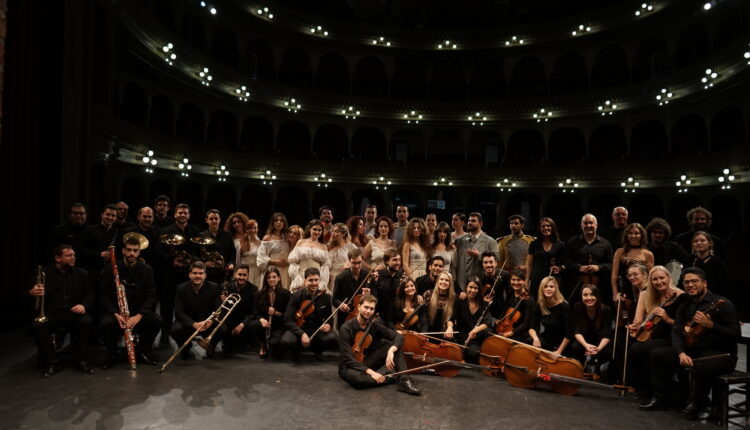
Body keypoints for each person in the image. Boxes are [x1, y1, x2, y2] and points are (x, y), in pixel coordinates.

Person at [640, 267, 739, 420]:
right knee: (657, 354)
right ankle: (660, 398)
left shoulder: (723, 304)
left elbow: (735, 334)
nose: (690, 285)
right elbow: (676, 332)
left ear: (704, 283)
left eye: (695, 281)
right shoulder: (686, 305)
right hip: (693, 350)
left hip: (721, 354)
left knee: (698, 364)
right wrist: (681, 352)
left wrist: (711, 325)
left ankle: (699, 402)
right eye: (687, 282)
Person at [30, 244, 95, 377]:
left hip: (73, 312)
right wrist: (31, 292)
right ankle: (52, 362)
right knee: (38, 325)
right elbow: (24, 296)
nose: (73, 258)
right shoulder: (44, 273)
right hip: (52, 313)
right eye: (69, 255)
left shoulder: (82, 274)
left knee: (86, 321)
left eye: (74, 255)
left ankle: (81, 360)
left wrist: (83, 305)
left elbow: (90, 294)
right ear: (58, 258)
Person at [338, 294, 420, 395]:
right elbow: (347, 358)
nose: (368, 311)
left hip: (366, 361)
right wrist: (372, 373)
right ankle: (390, 378)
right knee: (359, 380)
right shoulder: (346, 328)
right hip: (349, 366)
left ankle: (404, 380)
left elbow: (399, 337)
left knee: (394, 345)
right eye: (366, 307)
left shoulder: (374, 324)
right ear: (359, 307)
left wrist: (391, 350)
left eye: (371, 309)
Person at [99, 236, 161, 368]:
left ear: (139, 252)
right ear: (123, 251)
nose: (132, 253)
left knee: (156, 320)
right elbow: (103, 295)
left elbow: (151, 295)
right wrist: (115, 314)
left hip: (137, 312)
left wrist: (139, 315)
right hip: (117, 311)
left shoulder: (147, 269)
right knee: (105, 323)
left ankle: (143, 352)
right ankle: (112, 354)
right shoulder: (111, 268)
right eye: (129, 250)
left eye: (135, 250)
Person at [628, 265, 686, 401]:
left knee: (648, 348)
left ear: (669, 278)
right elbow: (646, 320)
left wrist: (666, 318)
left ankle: (653, 391)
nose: (659, 282)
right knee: (636, 348)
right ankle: (641, 386)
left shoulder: (680, 296)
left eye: (662, 278)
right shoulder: (652, 296)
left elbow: (681, 326)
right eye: (655, 279)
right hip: (656, 334)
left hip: (672, 336)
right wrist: (639, 326)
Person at [160, 203, 200, 341]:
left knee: (187, 305)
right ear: (175, 214)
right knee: (167, 306)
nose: (182, 215)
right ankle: (165, 333)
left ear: (189, 215)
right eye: (180, 213)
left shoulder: (195, 231)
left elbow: (197, 251)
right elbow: (158, 251)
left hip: (187, 275)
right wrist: (172, 260)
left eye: (185, 213)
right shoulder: (166, 230)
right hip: (170, 275)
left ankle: (188, 332)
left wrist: (192, 261)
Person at [281, 268, 338, 361]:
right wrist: (302, 333)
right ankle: (297, 349)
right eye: (310, 280)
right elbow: (287, 321)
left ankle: (317, 349)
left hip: (316, 329)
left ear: (319, 280)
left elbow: (329, 318)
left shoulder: (326, 297)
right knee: (287, 341)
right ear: (305, 281)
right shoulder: (296, 296)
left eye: (316, 280)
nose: (314, 283)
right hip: (299, 328)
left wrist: (329, 324)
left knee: (333, 338)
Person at [171, 262, 225, 359]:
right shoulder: (181, 288)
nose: (197, 276)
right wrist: (193, 324)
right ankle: (186, 348)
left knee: (223, 329)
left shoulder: (214, 287)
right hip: (189, 324)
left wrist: (211, 321)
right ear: (189, 274)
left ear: (205, 275)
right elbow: (178, 312)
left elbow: (219, 310)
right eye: (195, 273)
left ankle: (210, 346)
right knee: (175, 330)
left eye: (200, 273)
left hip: (206, 323)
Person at [565, 214, 613, 304]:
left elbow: (612, 264)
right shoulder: (573, 242)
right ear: (581, 226)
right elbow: (566, 261)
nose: (588, 226)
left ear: (596, 225)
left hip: (600, 286)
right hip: (577, 285)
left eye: (591, 223)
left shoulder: (605, 244)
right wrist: (578, 267)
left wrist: (598, 267)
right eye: (585, 223)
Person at [247, 267, 290, 359]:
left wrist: (276, 313)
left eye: (274, 277)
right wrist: (261, 319)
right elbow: (255, 312)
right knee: (252, 325)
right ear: (265, 280)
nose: (271, 279)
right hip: (264, 324)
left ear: (279, 278)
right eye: (268, 277)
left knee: (274, 344)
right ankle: (262, 344)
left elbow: (288, 315)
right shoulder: (258, 294)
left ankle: (272, 342)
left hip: (278, 325)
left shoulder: (286, 294)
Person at [571, 285, 613, 377]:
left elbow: (606, 334)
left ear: (597, 296)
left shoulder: (606, 310)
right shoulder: (577, 307)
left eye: (592, 295)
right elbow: (576, 331)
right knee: (575, 346)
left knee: (606, 352)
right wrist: (586, 345)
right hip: (584, 340)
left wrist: (598, 349)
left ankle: (597, 369)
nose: (589, 298)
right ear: (581, 296)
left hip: (599, 341)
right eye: (585, 295)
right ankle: (581, 366)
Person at [611, 223, 654, 305]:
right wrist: (615, 293)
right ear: (626, 235)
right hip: (623, 291)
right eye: (630, 233)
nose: (633, 236)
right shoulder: (620, 252)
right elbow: (614, 275)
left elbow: (650, 277)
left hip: (642, 291)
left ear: (642, 235)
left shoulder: (648, 254)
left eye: (637, 233)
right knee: (624, 316)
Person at [528, 276, 573, 356]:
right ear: (542, 289)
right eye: (545, 286)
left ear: (556, 289)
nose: (548, 289)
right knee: (528, 341)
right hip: (547, 339)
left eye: (551, 286)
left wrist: (559, 351)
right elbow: (531, 328)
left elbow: (569, 334)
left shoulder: (564, 306)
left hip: (561, 343)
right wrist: (535, 338)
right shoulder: (540, 305)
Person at [219, 265, 258, 355]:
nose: (241, 277)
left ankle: (245, 342)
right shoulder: (226, 287)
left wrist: (241, 325)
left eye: (244, 275)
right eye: (239, 274)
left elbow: (253, 312)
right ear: (235, 274)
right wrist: (223, 302)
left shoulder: (253, 289)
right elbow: (220, 309)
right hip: (229, 319)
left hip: (244, 320)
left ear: (248, 276)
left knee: (253, 324)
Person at [455, 212, 497, 294]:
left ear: (481, 223)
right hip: (461, 285)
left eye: (473, 221)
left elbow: (496, 260)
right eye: (469, 221)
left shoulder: (490, 241)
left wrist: (479, 256)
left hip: (479, 285)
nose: (470, 223)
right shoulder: (459, 241)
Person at [525, 217, 565, 301]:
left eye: (548, 226)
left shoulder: (560, 244)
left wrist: (560, 268)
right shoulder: (534, 244)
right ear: (540, 229)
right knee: (537, 302)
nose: (546, 228)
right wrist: (527, 280)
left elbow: (565, 263)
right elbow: (529, 264)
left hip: (552, 278)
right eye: (543, 226)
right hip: (537, 278)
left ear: (553, 227)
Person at [683, 231, 729, 300]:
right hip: (692, 297)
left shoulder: (718, 262)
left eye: (702, 240)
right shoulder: (689, 261)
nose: (699, 243)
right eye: (696, 241)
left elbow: (724, 286)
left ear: (710, 243)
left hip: (713, 298)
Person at [455, 276, 492, 363]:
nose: (473, 290)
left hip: (478, 335)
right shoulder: (460, 302)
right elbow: (451, 318)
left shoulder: (484, 304)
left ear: (479, 289)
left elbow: (488, 322)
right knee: (474, 354)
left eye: (476, 288)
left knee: (488, 332)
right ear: (466, 287)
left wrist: (475, 331)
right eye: (470, 287)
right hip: (465, 336)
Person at [332, 248, 371, 329]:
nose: (357, 266)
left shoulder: (368, 275)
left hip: (363, 316)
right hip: (346, 316)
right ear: (349, 261)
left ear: (362, 260)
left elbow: (374, 297)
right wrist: (341, 305)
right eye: (354, 263)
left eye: (359, 263)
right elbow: (334, 300)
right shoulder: (340, 278)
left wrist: (369, 294)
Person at [288, 219, 332, 291]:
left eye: (319, 230)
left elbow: (325, 266)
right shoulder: (301, 242)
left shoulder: (323, 246)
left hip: (316, 279)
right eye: (314, 229)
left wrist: (321, 283)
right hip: (302, 275)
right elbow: (293, 262)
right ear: (309, 229)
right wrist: (299, 281)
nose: (317, 232)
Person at [199, 209, 236, 286]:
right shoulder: (201, 236)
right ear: (207, 220)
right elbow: (195, 253)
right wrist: (204, 263)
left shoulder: (227, 235)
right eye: (211, 219)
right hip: (207, 273)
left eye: (216, 218)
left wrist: (232, 263)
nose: (214, 221)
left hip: (223, 273)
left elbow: (232, 253)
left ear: (220, 220)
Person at [80, 204, 118, 277]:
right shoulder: (90, 230)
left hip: (109, 272)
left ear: (116, 218)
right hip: (92, 270)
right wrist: (99, 254)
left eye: (113, 216)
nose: (110, 217)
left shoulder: (116, 233)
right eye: (108, 214)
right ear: (102, 215)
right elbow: (81, 249)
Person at [496, 269, 532, 344]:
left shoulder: (529, 300)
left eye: (519, 280)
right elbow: (505, 309)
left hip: (519, 331)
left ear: (524, 281)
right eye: (513, 279)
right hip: (506, 325)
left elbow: (526, 323)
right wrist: (500, 319)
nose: (515, 282)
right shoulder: (510, 292)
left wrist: (512, 332)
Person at [258, 213, 291, 290]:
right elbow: (261, 257)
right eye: (276, 220)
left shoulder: (287, 237)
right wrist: (276, 262)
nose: (279, 222)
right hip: (272, 269)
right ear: (273, 223)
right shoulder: (267, 238)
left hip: (285, 269)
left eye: (281, 221)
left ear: (284, 223)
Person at [420, 272, 457, 341]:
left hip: (444, 334)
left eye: (447, 280)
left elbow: (452, 318)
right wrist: (424, 333)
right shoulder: (428, 294)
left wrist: (450, 327)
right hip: (428, 332)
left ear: (450, 283)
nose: (443, 282)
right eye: (441, 279)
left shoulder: (454, 298)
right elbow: (424, 317)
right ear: (438, 281)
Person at [371, 249, 404, 318]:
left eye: (399, 260)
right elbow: (373, 297)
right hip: (380, 314)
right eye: (394, 260)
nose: (398, 263)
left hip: (396, 314)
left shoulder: (402, 276)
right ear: (386, 262)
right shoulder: (378, 275)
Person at [328, 223, 358, 292]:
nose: (333, 233)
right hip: (331, 277)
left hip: (345, 275)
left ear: (343, 234)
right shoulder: (329, 247)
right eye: (332, 231)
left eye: (336, 231)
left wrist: (349, 263)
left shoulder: (350, 246)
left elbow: (358, 260)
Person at [238, 219, 262, 287]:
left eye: (255, 228)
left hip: (257, 271)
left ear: (257, 229)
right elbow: (238, 259)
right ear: (246, 229)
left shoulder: (261, 243)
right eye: (250, 228)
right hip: (245, 271)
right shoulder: (241, 242)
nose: (252, 230)